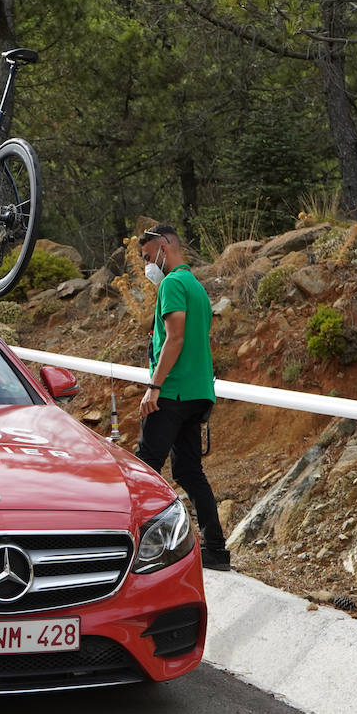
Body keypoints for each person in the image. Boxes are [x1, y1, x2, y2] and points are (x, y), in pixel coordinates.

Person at [136, 222, 230, 571]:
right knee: (190, 472)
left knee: (144, 469)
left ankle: (142, 547)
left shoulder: (174, 283)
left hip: (172, 392)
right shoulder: (196, 287)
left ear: (165, 246)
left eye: (149, 256)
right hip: (198, 393)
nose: (149, 265)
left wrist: (154, 386)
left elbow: (174, 339)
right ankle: (216, 550)